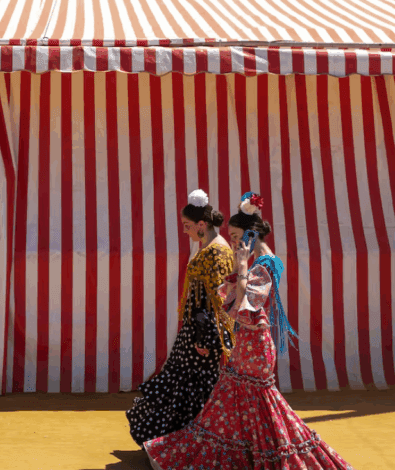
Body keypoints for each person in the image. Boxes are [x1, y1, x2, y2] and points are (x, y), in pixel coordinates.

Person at [143, 192, 354, 470]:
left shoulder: (265, 263)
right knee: (233, 405)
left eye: (235, 235)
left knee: (257, 405)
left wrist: (240, 269)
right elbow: (231, 299)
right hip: (247, 341)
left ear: (251, 235)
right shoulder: (257, 261)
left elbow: (245, 305)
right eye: (230, 235)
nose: (231, 241)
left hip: (254, 346)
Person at [126, 189, 236, 446]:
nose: (185, 231)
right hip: (199, 329)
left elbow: (212, 299)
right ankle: (182, 443)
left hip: (202, 331)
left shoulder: (215, 251)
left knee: (192, 388)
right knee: (185, 386)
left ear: (201, 224)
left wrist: (201, 337)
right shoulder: (211, 247)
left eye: (188, 226)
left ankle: (187, 444)